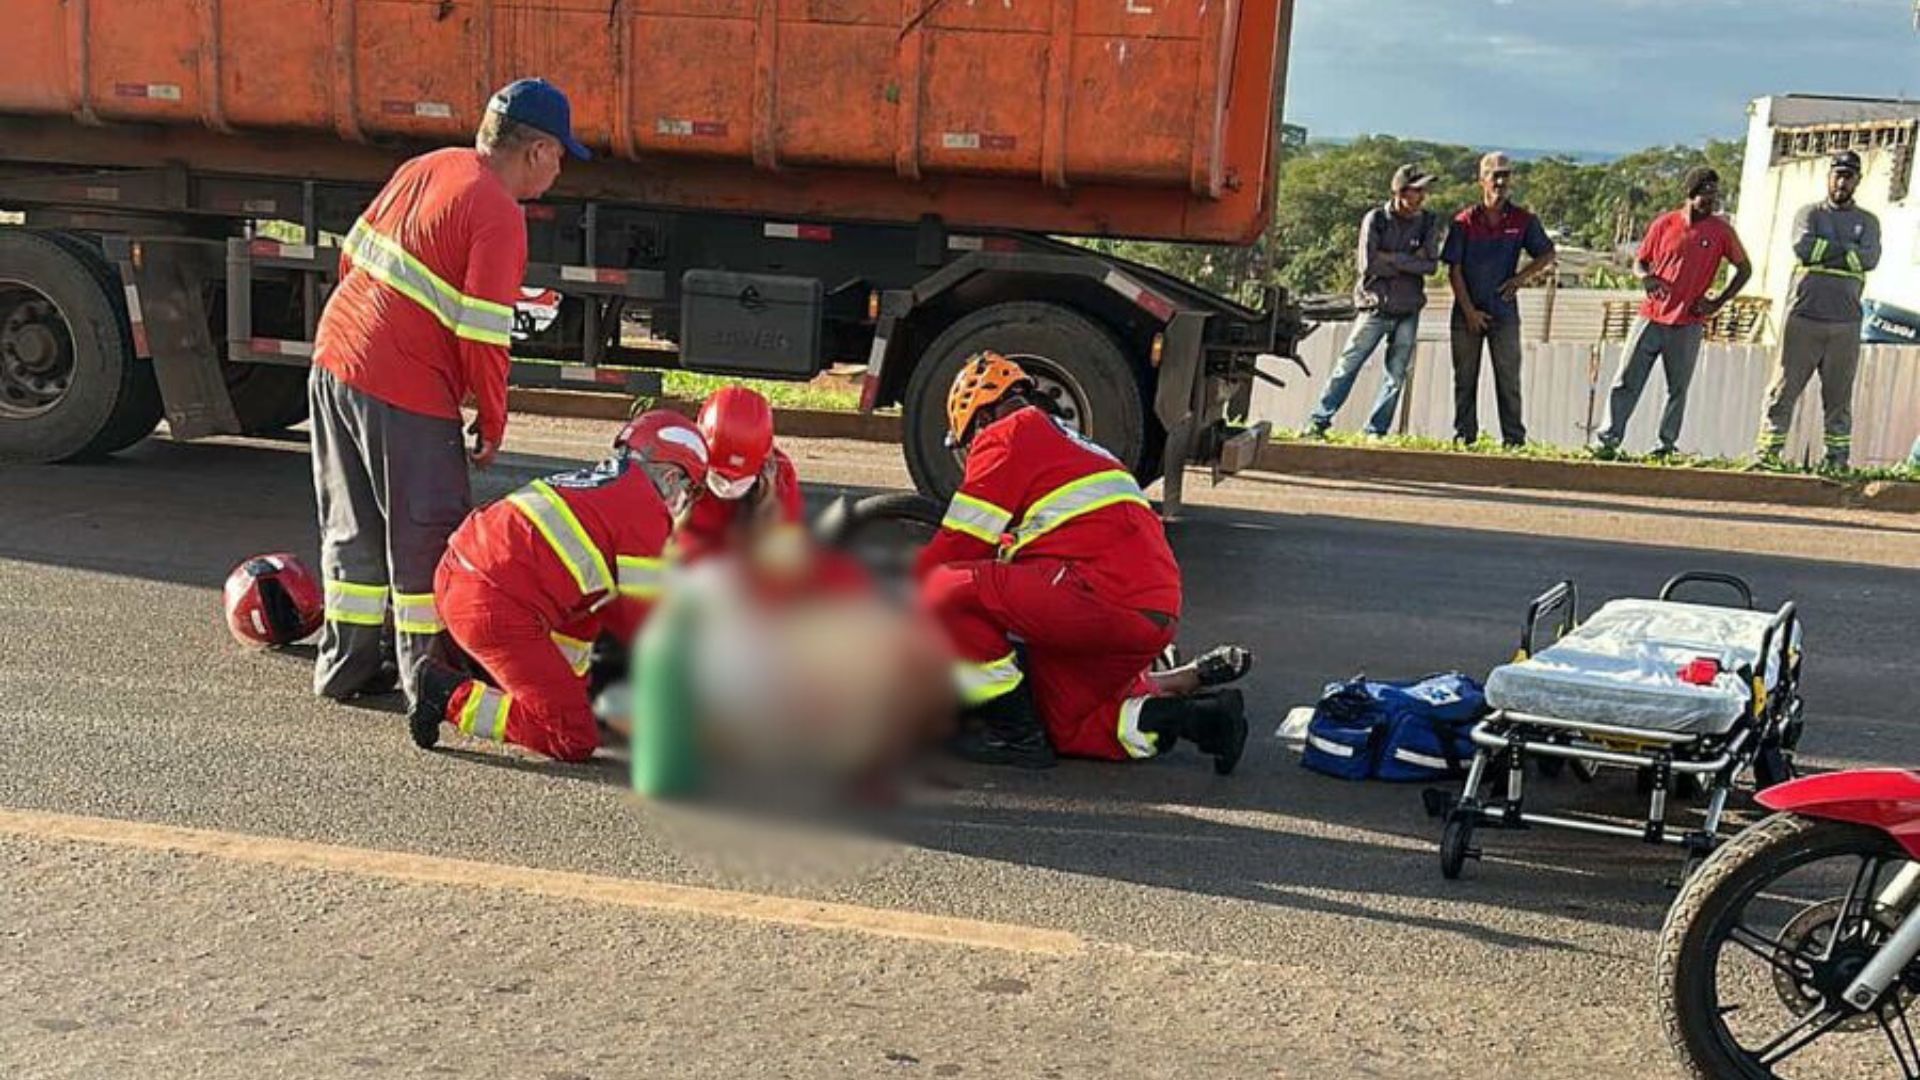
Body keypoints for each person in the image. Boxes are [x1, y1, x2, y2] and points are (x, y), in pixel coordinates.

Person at [308, 77, 590, 707]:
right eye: (561, 155)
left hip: (335, 358)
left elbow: (351, 258)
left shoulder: (428, 166)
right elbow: (484, 335)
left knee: (352, 525)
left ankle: (345, 666)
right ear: (537, 151)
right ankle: (428, 682)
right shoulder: (499, 213)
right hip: (403, 385)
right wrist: (492, 417)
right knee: (427, 539)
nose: (561, 169)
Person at [914, 352, 1254, 774]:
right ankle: (1206, 720)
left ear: (980, 418)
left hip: (1101, 596)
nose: (969, 455)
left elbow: (958, 547)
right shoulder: (1073, 443)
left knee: (942, 588)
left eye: (966, 443)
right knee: (1070, 729)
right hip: (1150, 610)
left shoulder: (1007, 435)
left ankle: (1015, 735)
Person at [408, 411, 708, 763]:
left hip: (463, 575)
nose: (684, 501)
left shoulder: (604, 485)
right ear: (671, 477)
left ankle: (537, 697)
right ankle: (447, 696)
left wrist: (573, 691)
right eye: (689, 489)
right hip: (491, 607)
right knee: (573, 738)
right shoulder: (647, 511)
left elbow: (597, 610)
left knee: (594, 607)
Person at [1593, 167, 1752, 459]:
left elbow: (1744, 269)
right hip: (1651, 316)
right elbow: (1640, 262)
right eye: (1705, 193)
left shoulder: (1722, 231)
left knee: (1677, 389)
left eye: (1714, 193)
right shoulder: (1665, 224)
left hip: (1688, 322)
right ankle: (1607, 441)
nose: (1711, 200)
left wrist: (1718, 302)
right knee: (1626, 380)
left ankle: (1665, 446)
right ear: (1690, 193)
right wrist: (1646, 278)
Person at [1756, 151, 1882, 470]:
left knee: (1839, 398)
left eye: (1848, 176)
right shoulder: (1809, 214)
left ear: (1857, 180)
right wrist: (1848, 252)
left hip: (1845, 323)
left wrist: (1826, 250)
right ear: (1829, 176)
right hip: (1804, 318)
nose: (1842, 182)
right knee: (1783, 390)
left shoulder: (1868, 222)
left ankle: (1836, 460)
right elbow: (1804, 248)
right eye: (1838, 175)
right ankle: (1768, 454)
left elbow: (1869, 259)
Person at [1307, 164, 1440, 438]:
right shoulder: (1376, 219)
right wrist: (1409, 261)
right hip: (1375, 306)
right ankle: (1318, 421)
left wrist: (1391, 257)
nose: (1422, 196)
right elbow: (1368, 264)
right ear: (1401, 192)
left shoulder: (1428, 221)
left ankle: (1376, 431)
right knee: (1348, 366)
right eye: (1417, 190)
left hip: (1408, 308)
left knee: (1396, 375)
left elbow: (1430, 266)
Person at [1441, 151, 1556, 447]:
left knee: (1509, 381)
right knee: (1464, 380)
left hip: (1503, 312)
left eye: (1506, 176)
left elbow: (1547, 253)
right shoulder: (1464, 222)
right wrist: (1470, 312)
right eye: (1496, 176)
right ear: (1482, 180)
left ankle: (1514, 442)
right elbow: (1453, 270)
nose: (1501, 182)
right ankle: (1464, 439)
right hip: (1466, 313)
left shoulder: (1523, 220)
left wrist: (1519, 279)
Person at [673, 386, 806, 563]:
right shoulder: (677, 464)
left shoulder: (780, 475)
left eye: (740, 478)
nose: (729, 484)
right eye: (721, 474)